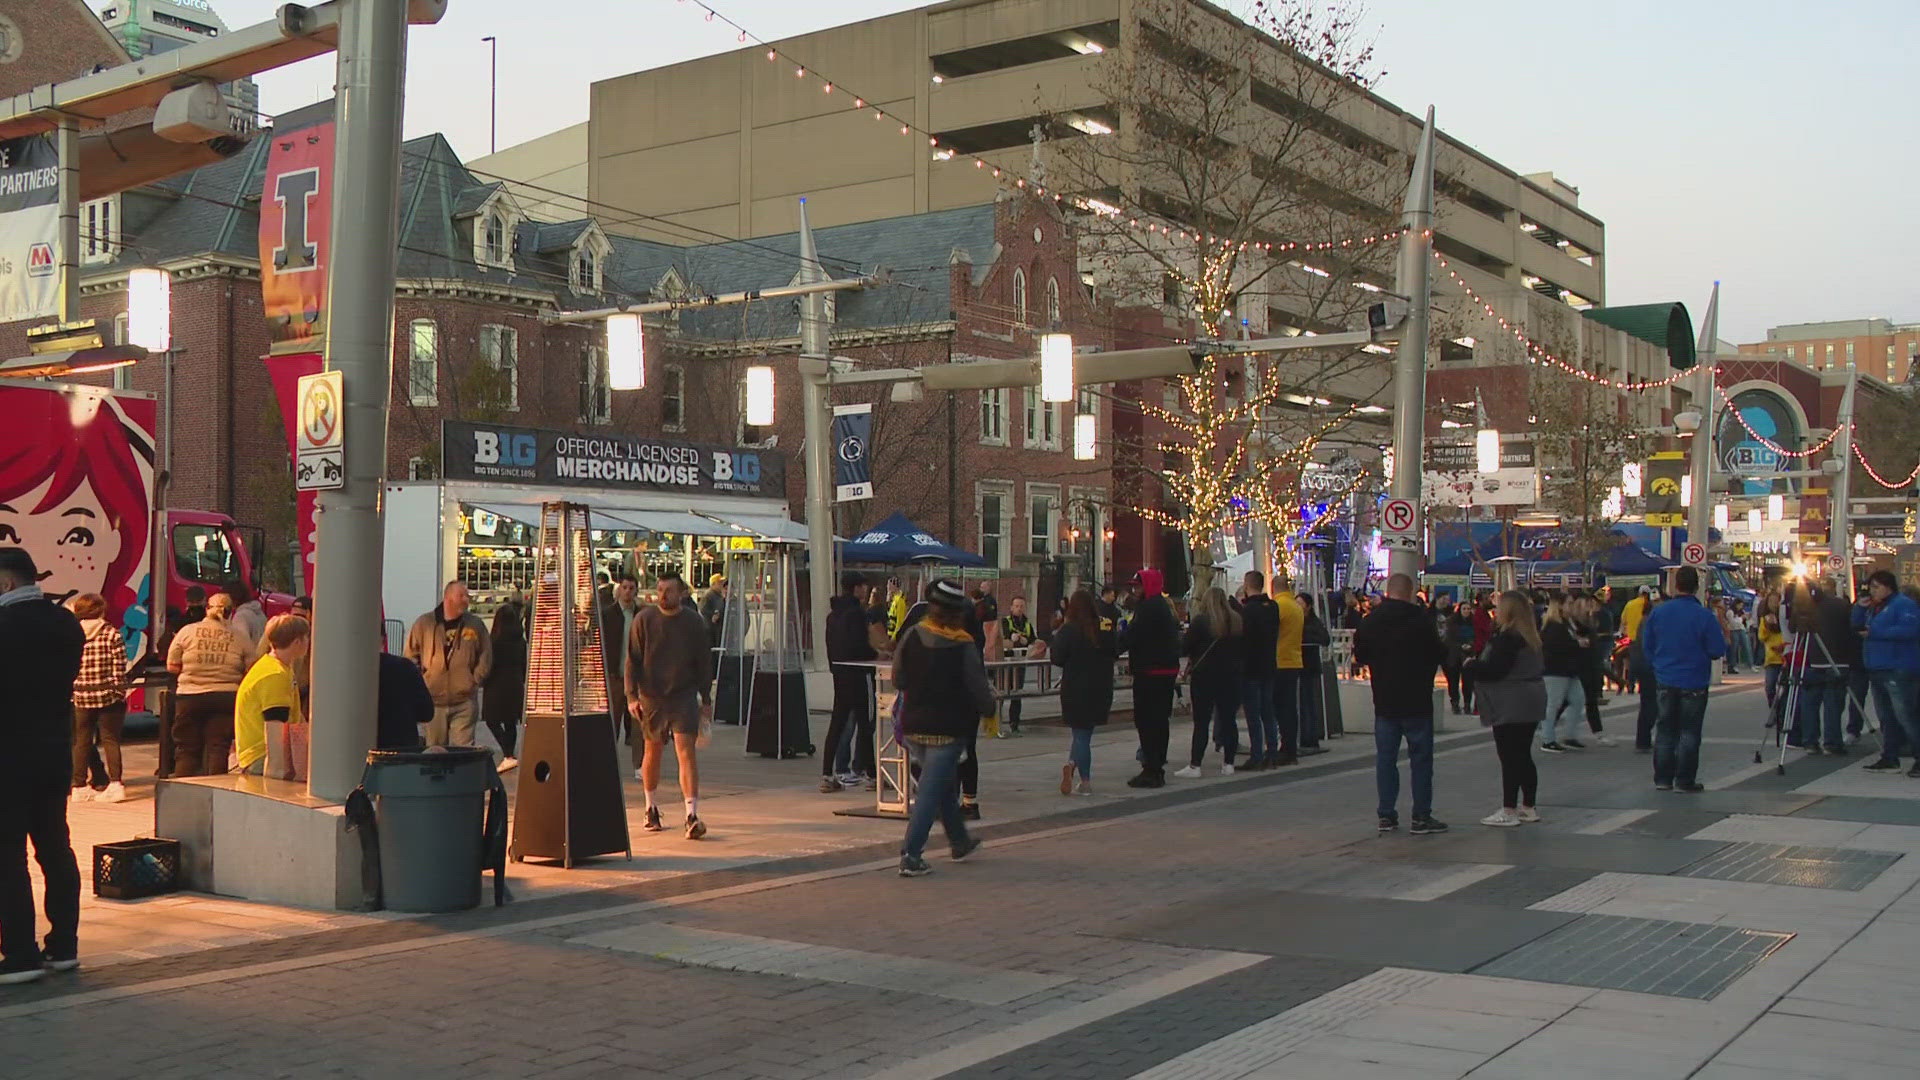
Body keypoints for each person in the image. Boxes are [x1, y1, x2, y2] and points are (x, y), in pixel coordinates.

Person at [0, 548, 86, 984]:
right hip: (55, 753)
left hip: (7, 757)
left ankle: (19, 954)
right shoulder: (66, 623)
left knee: (8, 857)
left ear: (7, 582)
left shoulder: (4, 626)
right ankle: (64, 947)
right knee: (55, 849)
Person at [891, 579, 987, 876]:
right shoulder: (963, 644)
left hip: (913, 724)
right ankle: (912, 854)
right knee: (930, 792)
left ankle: (959, 840)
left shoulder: (913, 635)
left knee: (941, 783)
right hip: (948, 727)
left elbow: (898, 678)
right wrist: (990, 707)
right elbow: (977, 686)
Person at [1353, 573, 1449, 835]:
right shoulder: (1422, 621)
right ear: (1410, 593)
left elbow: (1360, 654)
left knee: (1385, 759)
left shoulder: (1371, 621)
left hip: (1384, 700)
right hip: (1417, 700)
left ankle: (1386, 814)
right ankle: (1421, 816)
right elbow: (1440, 653)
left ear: (1387, 592)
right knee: (1421, 759)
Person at [625, 571, 715, 839]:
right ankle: (650, 807)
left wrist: (705, 698)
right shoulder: (645, 620)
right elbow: (632, 660)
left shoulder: (693, 623)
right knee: (652, 751)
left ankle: (691, 813)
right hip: (651, 695)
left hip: (683, 695)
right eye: (660, 590)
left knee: (685, 752)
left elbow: (703, 662)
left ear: (681, 593)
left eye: (669, 590)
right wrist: (631, 697)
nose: (663, 595)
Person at [1640, 566, 1725, 793]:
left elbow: (1647, 646)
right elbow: (1717, 649)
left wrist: (1658, 665)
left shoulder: (1659, 613)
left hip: (1666, 678)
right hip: (1694, 681)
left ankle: (1663, 778)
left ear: (1675, 585)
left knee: (1665, 730)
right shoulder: (1704, 616)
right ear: (1697, 587)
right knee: (1689, 732)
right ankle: (1684, 780)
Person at [1469, 591, 1548, 827]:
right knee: (1523, 754)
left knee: (1509, 755)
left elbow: (1496, 670)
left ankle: (1509, 808)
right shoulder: (1532, 638)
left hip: (1510, 701)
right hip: (1532, 698)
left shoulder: (1507, 639)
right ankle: (1528, 806)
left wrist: (1472, 666)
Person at [165, 591, 256, 776]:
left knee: (187, 748)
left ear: (207, 609)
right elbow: (251, 669)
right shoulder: (240, 637)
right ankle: (216, 793)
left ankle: (185, 789)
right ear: (231, 612)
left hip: (189, 696)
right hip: (226, 696)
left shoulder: (187, 632)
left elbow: (172, 666)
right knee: (218, 748)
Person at [404, 581, 493, 748]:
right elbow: (410, 655)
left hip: (464, 701)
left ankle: (463, 775)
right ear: (448, 598)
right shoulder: (424, 624)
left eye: (467, 595)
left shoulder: (475, 625)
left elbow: (485, 654)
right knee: (435, 752)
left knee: (464, 752)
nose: (467, 599)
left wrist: (474, 679)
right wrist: (422, 682)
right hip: (434, 702)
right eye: (462, 595)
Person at [1122, 568, 1181, 788]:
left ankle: (1151, 768)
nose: (1134, 590)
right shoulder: (1163, 607)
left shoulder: (1147, 608)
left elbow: (1132, 637)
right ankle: (1156, 766)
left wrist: (1112, 644)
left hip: (1150, 673)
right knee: (1160, 721)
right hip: (1165, 672)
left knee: (1147, 721)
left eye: (1137, 586)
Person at [67, 594, 130, 804]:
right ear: (101, 610)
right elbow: (119, 667)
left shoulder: (72, 633)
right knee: (110, 740)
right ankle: (115, 784)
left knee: (81, 741)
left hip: (81, 695)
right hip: (107, 695)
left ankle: (79, 786)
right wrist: (118, 691)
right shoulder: (111, 633)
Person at [1051, 590, 1114, 795]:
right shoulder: (1104, 627)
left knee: (1080, 734)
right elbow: (1115, 649)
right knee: (1084, 734)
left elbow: (1057, 657)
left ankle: (1084, 780)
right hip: (1101, 686)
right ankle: (1072, 765)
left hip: (1075, 687)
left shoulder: (1069, 630)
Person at [1859, 570, 1920, 775]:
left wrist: (1876, 633)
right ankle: (1889, 756)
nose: (1873, 591)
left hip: (1898, 667)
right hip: (1877, 666)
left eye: (1876, 587)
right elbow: (1855, 625)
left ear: (1888, 586)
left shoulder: (1903, 605)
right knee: (1886, 716)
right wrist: (1860, 608)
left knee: (1906, 715)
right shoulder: (1875, 607)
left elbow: (1910, 630)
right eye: (1871, 587)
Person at [233, 615, 310, 777]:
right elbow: (275, 726)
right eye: (307, 637)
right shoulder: (275, 675)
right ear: (297, 642)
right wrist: (277, 773)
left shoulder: (273, 667)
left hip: (257, 755)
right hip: (262, 756)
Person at [823, 572, 879, 793]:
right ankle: (872, 774)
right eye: (863, 587)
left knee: (837, 722)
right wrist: (876, 654)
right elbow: (860, 647)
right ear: (856, 589)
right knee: (866, 723)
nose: (865, 591)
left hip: (839, 672)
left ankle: (827, 774)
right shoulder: (856, 614)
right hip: (859, 673)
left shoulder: (832, 615)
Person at [1178, 587, 1242, 778]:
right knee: (1229, 720)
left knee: (1202, 722)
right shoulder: (1237, 621)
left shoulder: (1201, 622)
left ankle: (1195, 764)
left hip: (1204, 677)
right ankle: (1229, 763)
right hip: (1231, 676)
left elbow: (1184, 647)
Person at [1794, 581, 1857, 757]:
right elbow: (1851, 630)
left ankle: (1810, 742)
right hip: (1838, 661)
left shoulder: (1802, 608)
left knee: (1810, 704)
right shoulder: (1841, 605)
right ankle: (1832, 743)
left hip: (1812, 661)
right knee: (1833, 705)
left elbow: (1793, 629)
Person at [1236, 571, 1281, 771]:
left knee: (1253, 714)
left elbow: (1244, 640)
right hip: (1269, 664)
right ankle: (1272, 752)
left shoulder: (1248, 610)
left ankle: (1256, 755)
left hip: (1251, 667)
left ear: (1247, 584)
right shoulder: (1272, 607)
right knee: (1268, 711)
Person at [1537, 594, 1589, 753]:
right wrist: (1577, 643)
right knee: (1552, 704)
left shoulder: (1568, 623)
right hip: (1555, 670)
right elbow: (1555, 646)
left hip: (1570, 670)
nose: (1572, 606)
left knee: (1578, 699)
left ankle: (1570, 735)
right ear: (1559, 605)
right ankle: (1547, 739)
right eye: (1569, 603)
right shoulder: (1553, 625)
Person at [482, 603, 527, 773]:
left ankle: (507, 751)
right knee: (510, 722)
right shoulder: (520, 642)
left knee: (491, 719)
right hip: (515, 683)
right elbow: (524, 664)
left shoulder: (494, 641)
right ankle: (509, 753)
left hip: (496, 684)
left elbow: (489, 664)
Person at [598, 574, 641, 748]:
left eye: (631, 588)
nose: (627, 592)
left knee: (637, 721)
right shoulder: (608, 614)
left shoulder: (641, 614)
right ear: (619, 590)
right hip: (615, 674)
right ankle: (609, 753)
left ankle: (638, 762)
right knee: (613, 717)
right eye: (624, 588)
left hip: (637, 676)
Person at [1271, 578, 1306, 767]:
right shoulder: (1296, 607)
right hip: (1294, 660)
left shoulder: (1279, 606)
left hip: (1279, 661)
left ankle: (1285, 748)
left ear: (1273, 588)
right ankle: (1290, 748)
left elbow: (1272, 631)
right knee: (1290, 709)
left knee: (1280, 708)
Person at [1576, 594, 1617, 745]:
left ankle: (1597, 731)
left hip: (1590, 666)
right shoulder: (1577, 625)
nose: (1591, 607)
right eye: (1587, 604)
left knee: (1588, 701)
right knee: (1573, 701)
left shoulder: (1591, 621)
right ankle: (1551, 730)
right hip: (1579, 668)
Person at [377, 643, 432, 752]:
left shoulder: (340, 671)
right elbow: (426, 713)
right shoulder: (404, 667)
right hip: (403, 753)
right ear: (382, 640)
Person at [1629, 592, 1662, 752]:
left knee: (1649, 703)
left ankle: (1643, 740)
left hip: (1644, 665)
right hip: (1648, 667)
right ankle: (1643, 740)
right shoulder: (1650, 622)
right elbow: (1648, 646)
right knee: (1650, 704)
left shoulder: (1645, 621)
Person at [1000, 596, 1037, 735]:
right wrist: (1012, 638)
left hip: (1020, 661)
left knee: (1017, 693)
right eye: (1016, 606)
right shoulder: (1006, 621)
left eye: (1021, 606)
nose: (1019, 608)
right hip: (1005, 662)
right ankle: (997, 724)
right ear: (1011, 607)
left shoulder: (1027, 623)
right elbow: (1004, 636)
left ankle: (1014, 724)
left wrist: (1026, 640)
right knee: (1002, 692)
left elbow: (1033, 639)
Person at [699, 574, 729, 650]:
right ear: (713, 584)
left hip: (717, 629)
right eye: (719, 583)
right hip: (710, 629)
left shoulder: (719, 595)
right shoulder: (708, 595)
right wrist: (713, 615)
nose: (722, 585)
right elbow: (702, 609)